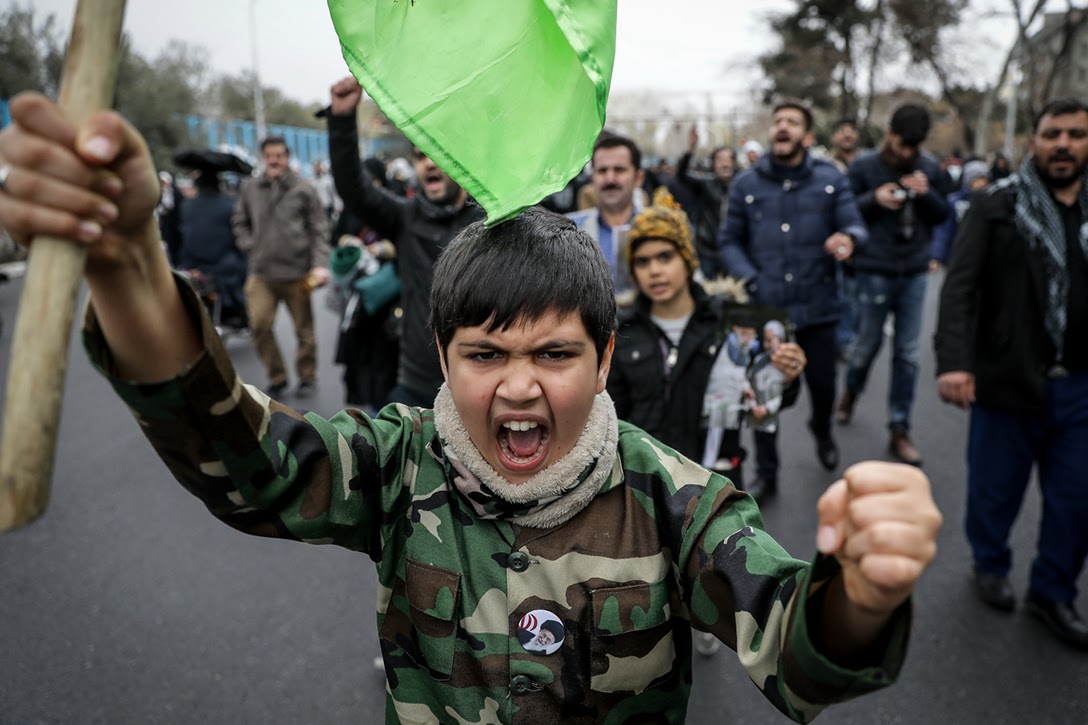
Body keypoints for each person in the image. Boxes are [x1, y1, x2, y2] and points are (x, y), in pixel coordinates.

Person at [0, 90, 943, 723]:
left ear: (607, 354)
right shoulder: (399, 466)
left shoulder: (679, 501)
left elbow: (795, 645)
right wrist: (127, 263)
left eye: (556, 353)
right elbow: (242, 458)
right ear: (442, 357)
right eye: (485, 353)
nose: (520, 385)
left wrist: (857, 594)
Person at [934, 98, 1088, 651]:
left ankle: (1053, 592)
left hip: (1080, 387)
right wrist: (954, 362)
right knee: (994, 492)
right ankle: (990, 565)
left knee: (1077, 499)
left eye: (1076, 134)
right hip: (1008, 379)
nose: (1064, 144)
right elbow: (960, 288)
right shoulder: (997, 204)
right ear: (1034, 141)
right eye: (1053, 134)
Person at [607, 189, 805, 493]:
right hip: (644, 487)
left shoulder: (730, 323)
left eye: (665, 257)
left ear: (688, 260)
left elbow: (766, 398)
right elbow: (611, 414)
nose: (655, 271)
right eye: (643, 262)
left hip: (716, 484)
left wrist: (787, 374)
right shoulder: (622, 331)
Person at [720, 98, 869, 500]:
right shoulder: (746, 184)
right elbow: (729, 241)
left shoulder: (829, 178)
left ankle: (821, 428)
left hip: (818, 307)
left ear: (807, 135)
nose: (782, 126)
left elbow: (854, 221)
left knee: (822, 388)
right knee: (765, 396)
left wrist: (848, 239)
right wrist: (750, 279)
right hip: (766, 309)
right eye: (778, 121)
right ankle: (767, 472)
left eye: (792, 122)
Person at [326, 76, 483, 408]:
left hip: (478, 383)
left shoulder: (487, 222)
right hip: (416, 383)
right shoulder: (405, 217)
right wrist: (341, 119)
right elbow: (354, 188)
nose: (428, 163)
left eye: (437, 154)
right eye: (420, 155)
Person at [837, 103, 950, 466]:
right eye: (902, 145)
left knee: (908, 354)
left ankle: (899, 427)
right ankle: (851, 391)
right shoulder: (864, 166)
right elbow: (845, 211)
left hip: (914, 271)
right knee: (866, 345)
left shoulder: (928, 166)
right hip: (874, 269)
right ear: (889, 134)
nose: (907, 154)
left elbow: (943, 214)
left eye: (913, 148)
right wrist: (875, 199)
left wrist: (925, 192)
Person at [231, 136, 330, 397]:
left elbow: (320, 229)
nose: (274, 160)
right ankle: (277, 377)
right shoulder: (251, 188)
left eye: (279, 155)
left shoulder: (303, 188)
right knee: (259, 325)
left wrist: (320, 265)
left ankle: (307, 377)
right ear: (263, 158)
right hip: (262, 273)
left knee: (304, 332)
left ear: (287, 157)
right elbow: (239, 221)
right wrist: (249, 244)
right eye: (269, 155)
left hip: (297, 274)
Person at [567, 133, 646, 295]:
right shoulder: (568, 232)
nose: (610, 179)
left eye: (619, 169)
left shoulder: (659, 228)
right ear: (592, 178)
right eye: (602, 171)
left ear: (638, 178)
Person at [674, 125, 736, 278]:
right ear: (713, 163)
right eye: (720, 159)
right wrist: (691, 148)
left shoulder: (742, 185)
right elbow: (681, 175)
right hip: (708, 250)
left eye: (729, 159)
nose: (725, 163)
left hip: (734, 250)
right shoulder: (706, 184)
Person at [929, 159, 991, 269]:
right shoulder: (954, 201)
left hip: (982, 257)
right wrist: (937, 256)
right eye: (978, 179)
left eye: (984, 179)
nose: (982, 183)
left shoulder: (991, 201)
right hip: (956, 255)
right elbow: (944, 230)